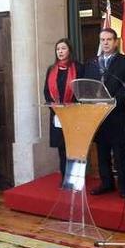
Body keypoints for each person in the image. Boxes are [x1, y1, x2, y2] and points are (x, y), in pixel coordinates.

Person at [84, 28, 125, 198]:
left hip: (117, 114)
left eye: (108, 39)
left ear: (116, 42)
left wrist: (111, 102)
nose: (105, 43)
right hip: (98, 116)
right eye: (102, 40)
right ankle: (106, 183)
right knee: (102, 152)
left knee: (120, 153)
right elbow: (88, 86)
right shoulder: (92, 63)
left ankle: (124, 186)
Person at [43, 38, 83, 181]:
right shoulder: (51, 69)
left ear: (69, 50)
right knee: (62, 147)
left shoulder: (78, 68)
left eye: (63, 48)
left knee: (74, 147)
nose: (60, 51)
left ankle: (76, 178)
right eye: (58, 49)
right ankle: (65, 177)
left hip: (74, 114)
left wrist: (73, 107)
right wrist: (56, 109)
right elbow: (46, 91)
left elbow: (81, 91)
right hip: (57, 114)